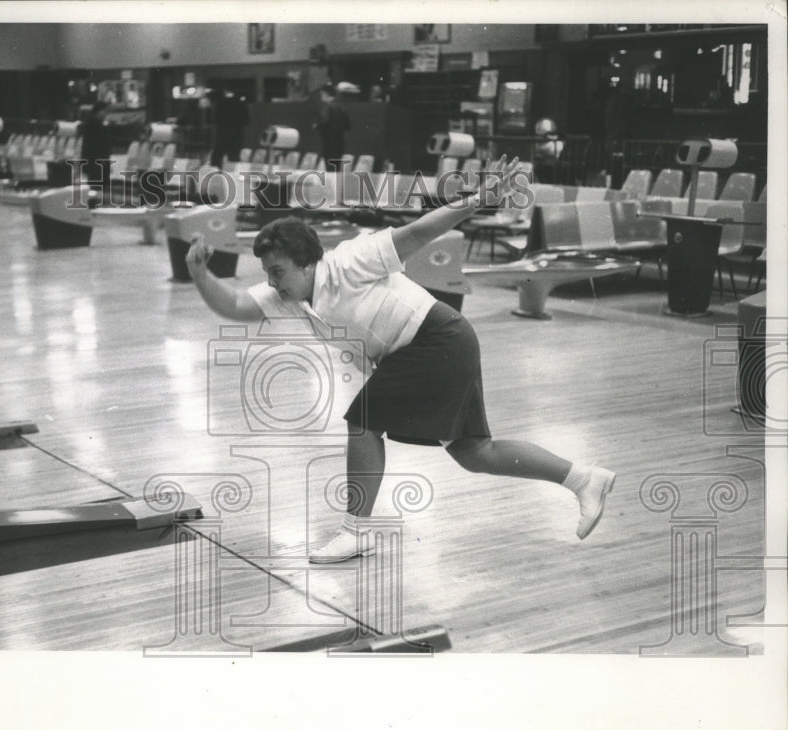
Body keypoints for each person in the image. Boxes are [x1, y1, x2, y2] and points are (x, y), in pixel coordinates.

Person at [185, 156, 616, 563]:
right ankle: (583, 477)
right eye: (268, 273)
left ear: (307, 263)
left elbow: (416, 233)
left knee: (363, 419)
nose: (271, 281)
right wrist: (202, 275)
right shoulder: (293, 294)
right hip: (434, 346)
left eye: (277, 271)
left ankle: (356, 530)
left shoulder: (350, 260)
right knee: (474, 452)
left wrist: (477, 200)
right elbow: (237, 305)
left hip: (435, 337)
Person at [314, 84, 350, 173]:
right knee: (336, 171)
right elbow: (348, 126)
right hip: (340, 145)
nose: (321, 97)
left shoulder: (327, 108)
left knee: (330, 171)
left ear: (326, 94)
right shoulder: (342, 109)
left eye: (321, 95)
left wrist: (317, 126)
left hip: (328, 145)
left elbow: (324, 123)